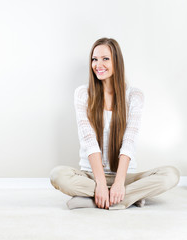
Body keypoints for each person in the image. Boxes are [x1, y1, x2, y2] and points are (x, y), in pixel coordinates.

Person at [49, 37, 180, 210]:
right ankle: (128, 197)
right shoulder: (83, 94)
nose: (98, 64)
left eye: (105, 59)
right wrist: (101, 184)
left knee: (171, 175)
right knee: (57, 175)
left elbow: (129, 142)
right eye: (94, 59)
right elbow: (89, 143)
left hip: (125, 176)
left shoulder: (134, 96)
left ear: (116, 62)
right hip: (91, 176)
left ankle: (96, 199)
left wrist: (118, 183)